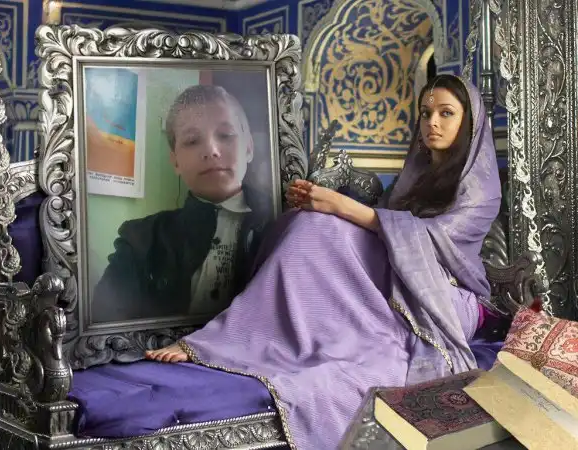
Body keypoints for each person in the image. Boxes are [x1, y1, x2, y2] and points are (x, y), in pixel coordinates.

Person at [145, 75, 501, 449]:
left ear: (469, 121)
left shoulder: (481, 189)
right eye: (426, 113)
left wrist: (341, 206)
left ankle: (233, 338)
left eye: (446, 113)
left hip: (443, 299)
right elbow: (382, 230)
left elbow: (432, 240)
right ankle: (257, 336)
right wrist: (322, 206)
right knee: (303, 223)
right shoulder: (416, 176)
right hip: (398, 277)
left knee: (323, 225)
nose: (432, 123)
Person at [92, 85, 273, 323]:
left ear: (249, 147)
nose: (211, 151)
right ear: (175, 161)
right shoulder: (140, 241)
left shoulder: (284, 224)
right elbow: (104, 321)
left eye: (225, 135)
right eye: (192, 140)